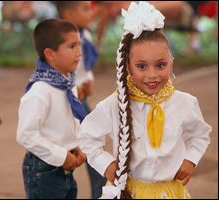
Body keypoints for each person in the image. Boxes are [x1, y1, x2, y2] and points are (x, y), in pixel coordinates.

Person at [79, 1, 212, 199]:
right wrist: (105, 164)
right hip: (130, 192)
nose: (152, 75)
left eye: (160, 65)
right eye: (142, 66)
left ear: (171, 63)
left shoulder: (185, 103)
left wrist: (190, 160)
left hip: (169, 192)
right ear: (128, 66)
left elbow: (200, 135)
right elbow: (87, 137)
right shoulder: (115, 104)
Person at [16, 18, 87, 199]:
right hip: (43, 169)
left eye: (79, 45)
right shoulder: (40, 91)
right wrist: (61, 155)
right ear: (50, 54)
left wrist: (75, 145)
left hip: (65, 166)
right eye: (72, 47)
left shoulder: (68, 83)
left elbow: (67, 121)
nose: (79, 52)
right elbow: (26, 135)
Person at [54, 2, 106, 198]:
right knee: (81, 147)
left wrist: (88, 80)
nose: (91, 12)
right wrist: (77, 86)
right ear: (68, 13)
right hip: (69, 101)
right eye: (85, 8)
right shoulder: (57, 39)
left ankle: (99, 193)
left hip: (80, 99)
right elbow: (59, 69)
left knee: (92, 146)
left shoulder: (84, 33)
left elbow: (84, 67)